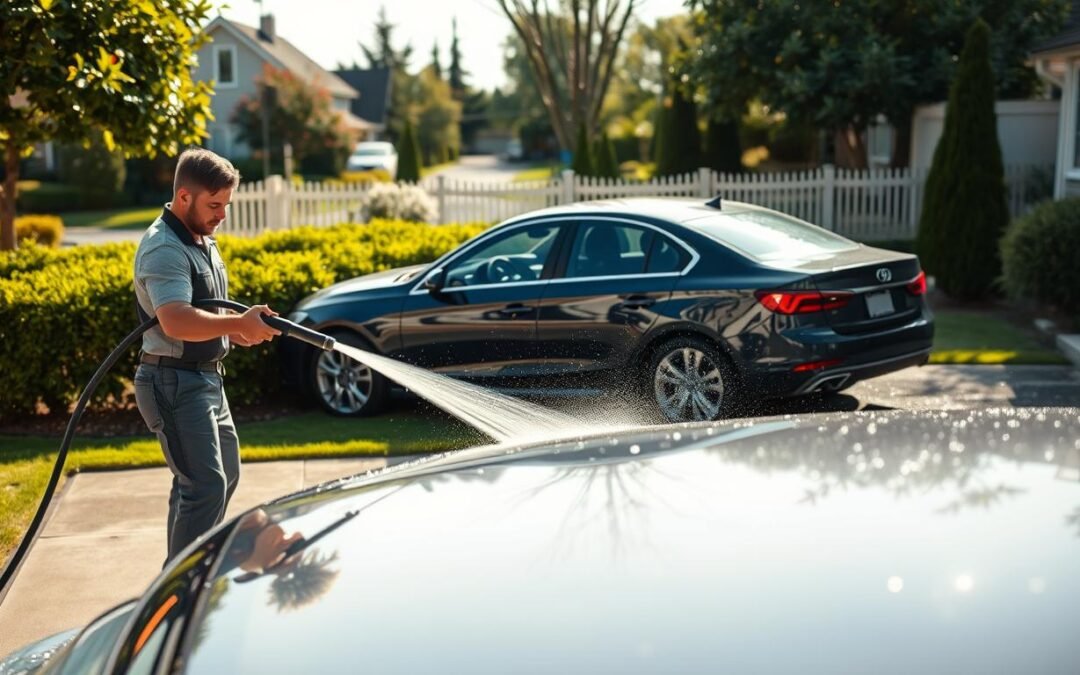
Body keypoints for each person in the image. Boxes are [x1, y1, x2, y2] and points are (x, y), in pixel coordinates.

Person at [133, 147, 281, 564]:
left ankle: (181, 580)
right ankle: (177, 598)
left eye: (226, 205)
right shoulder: (164, 247)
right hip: (173, 383)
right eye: (214, 205)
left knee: (219, 478)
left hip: (206, 380)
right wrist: (236, 324)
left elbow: (208, 308)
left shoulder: (202, 239)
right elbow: (175, 320)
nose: (222, 215)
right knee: (205, 487)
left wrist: (241, 330)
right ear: (184, 197)